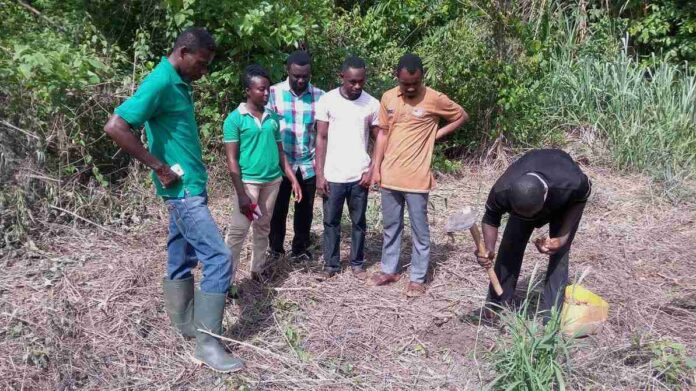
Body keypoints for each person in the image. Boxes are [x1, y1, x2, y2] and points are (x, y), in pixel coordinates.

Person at [103, 28, 243, 373]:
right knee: (219, 257)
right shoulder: (161, 82)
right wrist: (159, 167)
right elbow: (116, 126)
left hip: (190, 185)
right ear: (183, 52)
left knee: (180, 255)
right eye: (201, 63)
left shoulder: (179, 82)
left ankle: (185, 326)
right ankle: (207, 344)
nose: (204, 71)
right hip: (182, 192)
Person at [369, 53, 469, 297]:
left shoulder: (435, 98)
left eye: (416, 82)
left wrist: (434, 135)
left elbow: (461, 116)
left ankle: (417, 277)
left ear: (422, 77)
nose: (411, 87)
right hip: (389, 175)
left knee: (420, 231)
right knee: (391, 227)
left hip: (416, 178)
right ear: (397, 77)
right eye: (406, 83)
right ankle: (389, 269)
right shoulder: (388, 98)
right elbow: (382, 134)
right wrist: (376, 168)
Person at [476, 149, 592, 322]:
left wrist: (562, 239)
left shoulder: (571, 183)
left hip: (564, 205)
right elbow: (490, 217)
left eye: (532, 214)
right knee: (510, 246)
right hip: (524, 202)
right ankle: (495, 306)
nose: (532, 220)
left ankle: (550, 318)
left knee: (559, 254)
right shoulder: (503, 189)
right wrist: (489, 249)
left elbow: (581, 200)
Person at [223, 65, 302, 283]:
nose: (266, 93)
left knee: (263, 227)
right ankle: (226, 281)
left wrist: (292, 178)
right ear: (248, 91)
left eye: (268, 89)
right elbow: (232, 160)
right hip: (249, 184)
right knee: (238, 232)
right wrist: (241, 194)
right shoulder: (235, 119)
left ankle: (257, 270)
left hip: (272, 182)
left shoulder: (272, 118)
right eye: (261, 89)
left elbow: (279, 152)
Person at [314, 56, 380, 281]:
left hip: (359, 174)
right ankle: (331, 265)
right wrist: (320, 174)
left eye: (361, 81)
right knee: (331, 221)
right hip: (333, 175)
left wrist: (372, 169)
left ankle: (357, 263)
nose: (357, 86)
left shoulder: (372, 103)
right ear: (342, 77)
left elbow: (379, 139)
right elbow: (321, 137)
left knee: (359, 221)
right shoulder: (327, 100)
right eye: (352, 81)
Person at [267, 50, 325, 262]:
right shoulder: (272, 93)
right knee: (278, 209)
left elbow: (322, 133)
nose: (301, 80)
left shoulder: (320, 96)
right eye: (296, 76)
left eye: (305, 76)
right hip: (282, 163)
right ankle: (275, 249)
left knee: (305, 210)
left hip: (308, 163)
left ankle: (300, 248)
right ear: (288, 72)